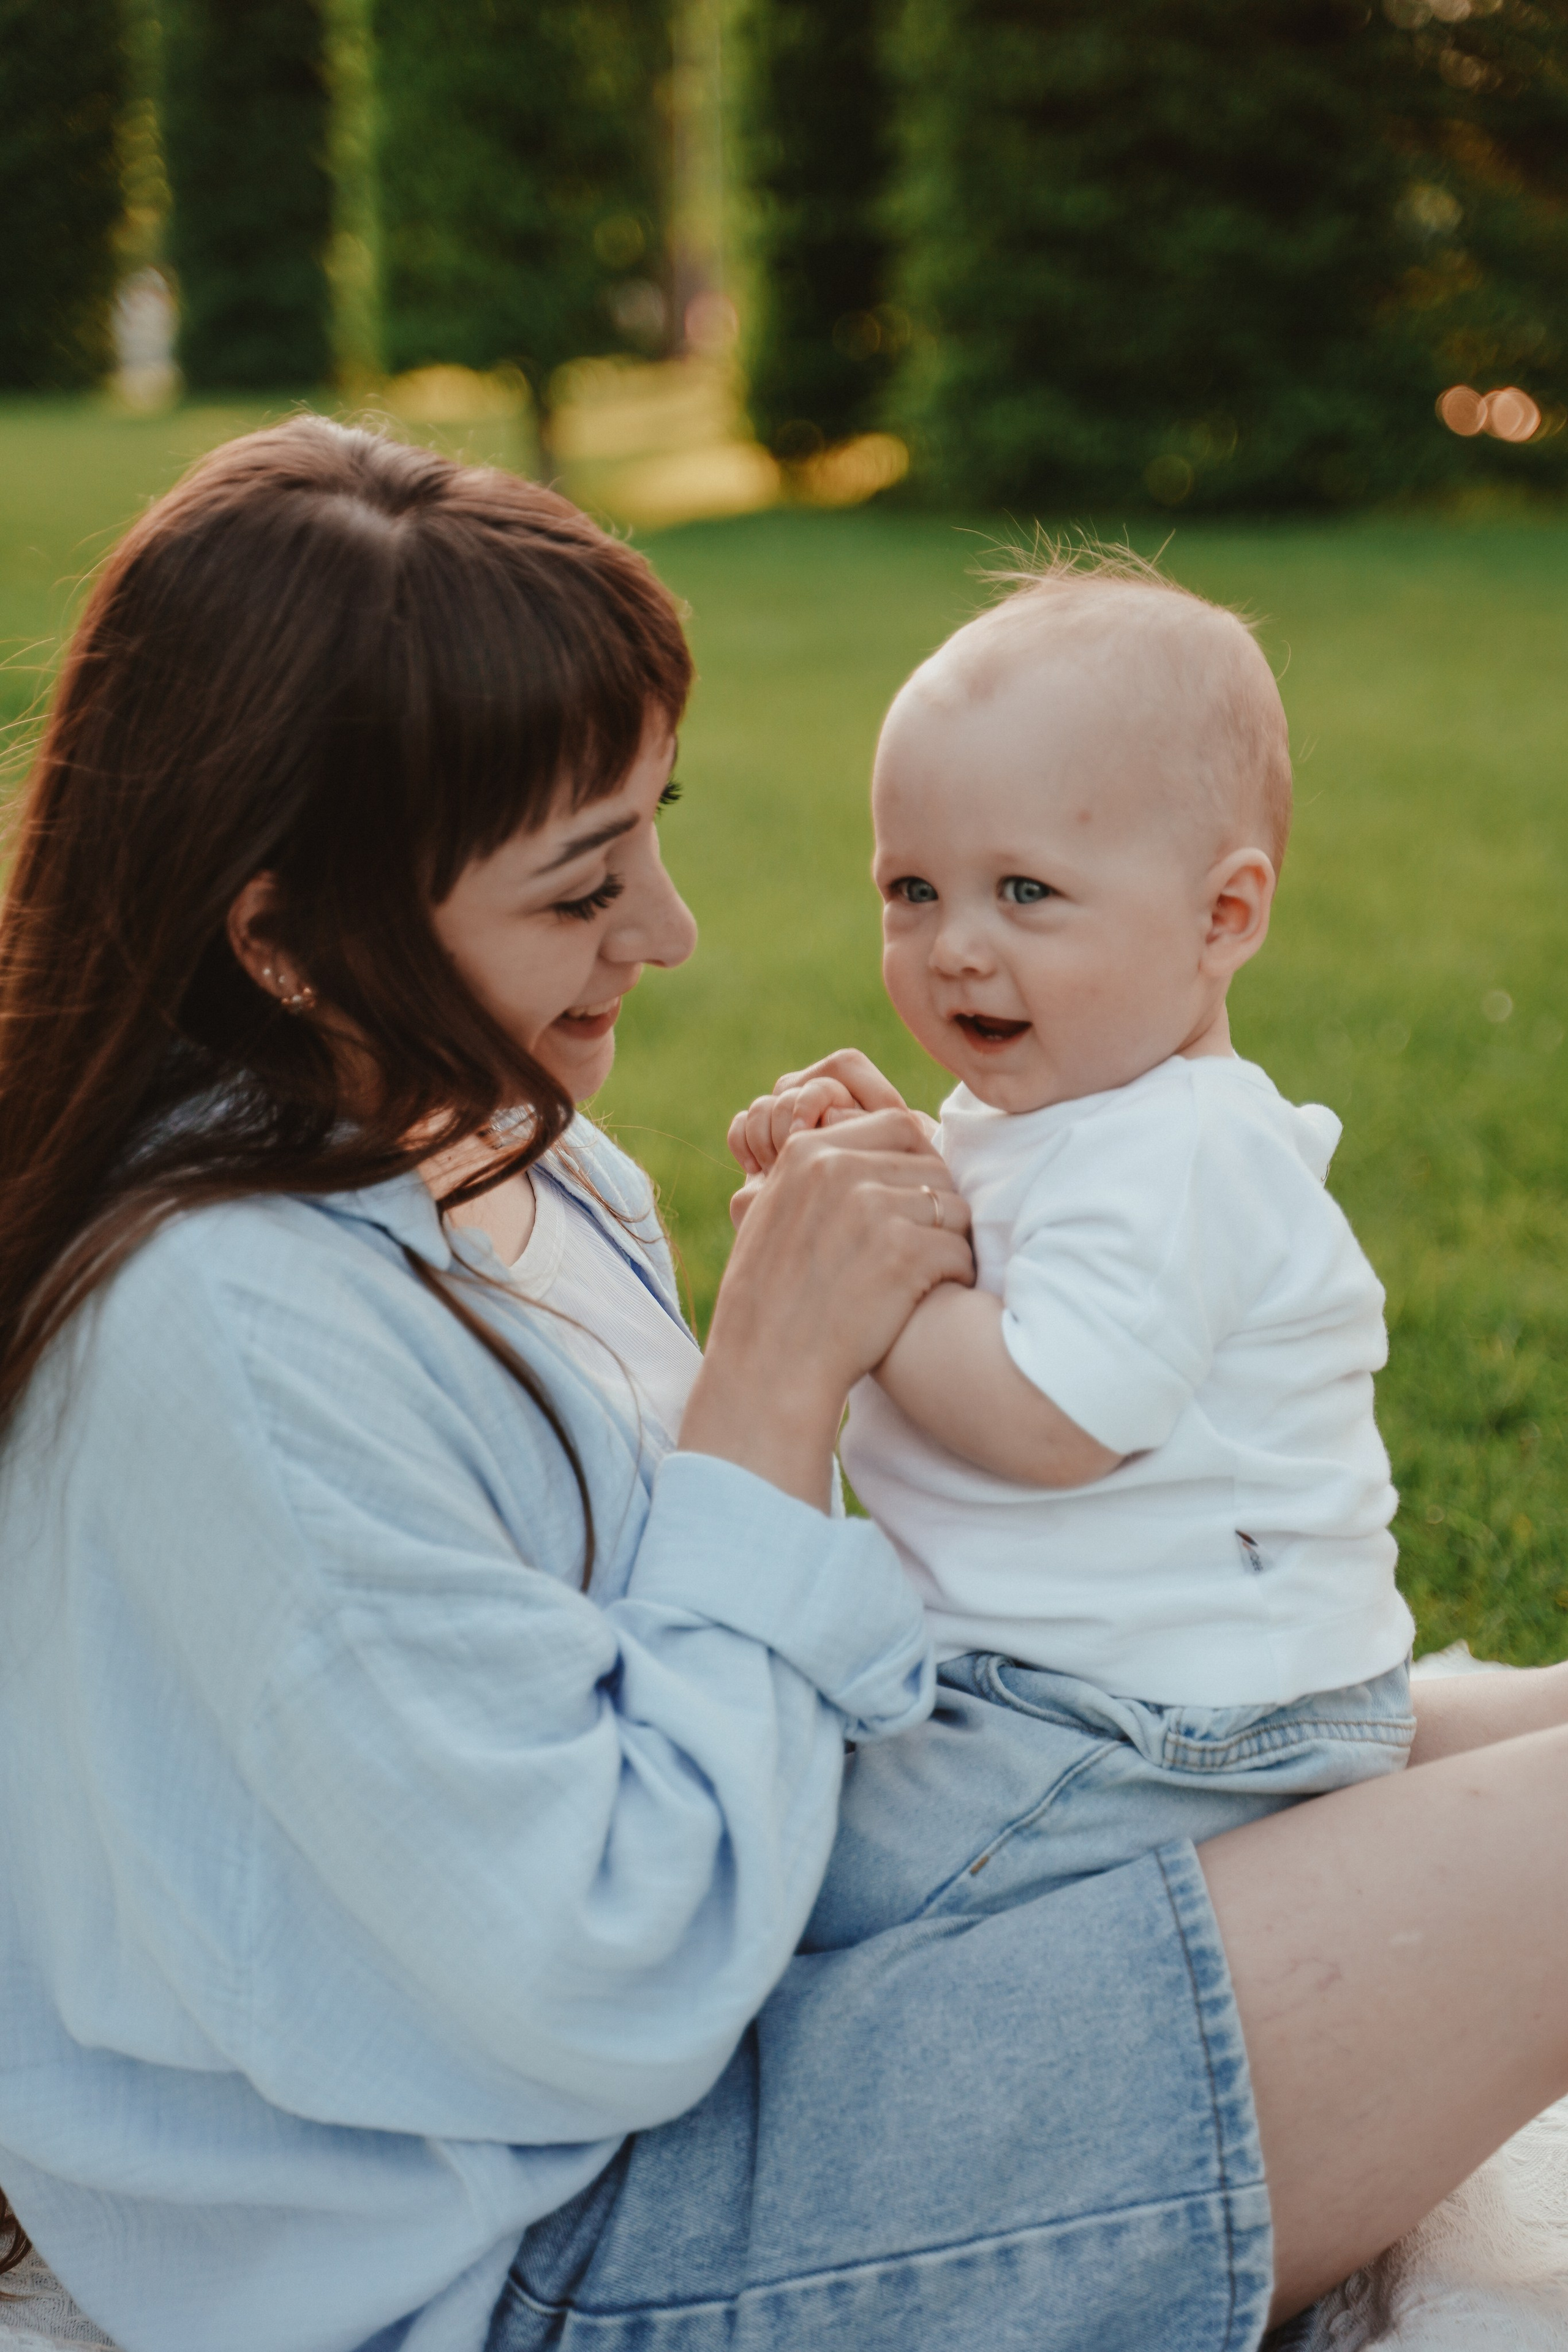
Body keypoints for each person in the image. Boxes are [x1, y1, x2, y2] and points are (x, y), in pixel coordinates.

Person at [1, 419, 1568, 2352]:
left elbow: (748, 1699)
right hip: (548, 2246)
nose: (668, 932)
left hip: (748, 2013)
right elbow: (609, 1981)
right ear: (290, 943)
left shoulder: (496, 1155)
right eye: (583, 890)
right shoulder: (222, 1339)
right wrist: (774, 1390)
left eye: (656, 832)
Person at [728, 558, 1417, 1958]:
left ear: (1223, 917)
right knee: (794, 1802)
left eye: (1025, 891)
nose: (954, 949)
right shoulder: (1053, 1116)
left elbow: (1049, 1422)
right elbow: (1003, 1245)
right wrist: (876, 1162)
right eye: (911, 889)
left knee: (815, 1892)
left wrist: (868, 1278)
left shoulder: (1179, 1153)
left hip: (1191, 1717)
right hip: (1063, 1686)